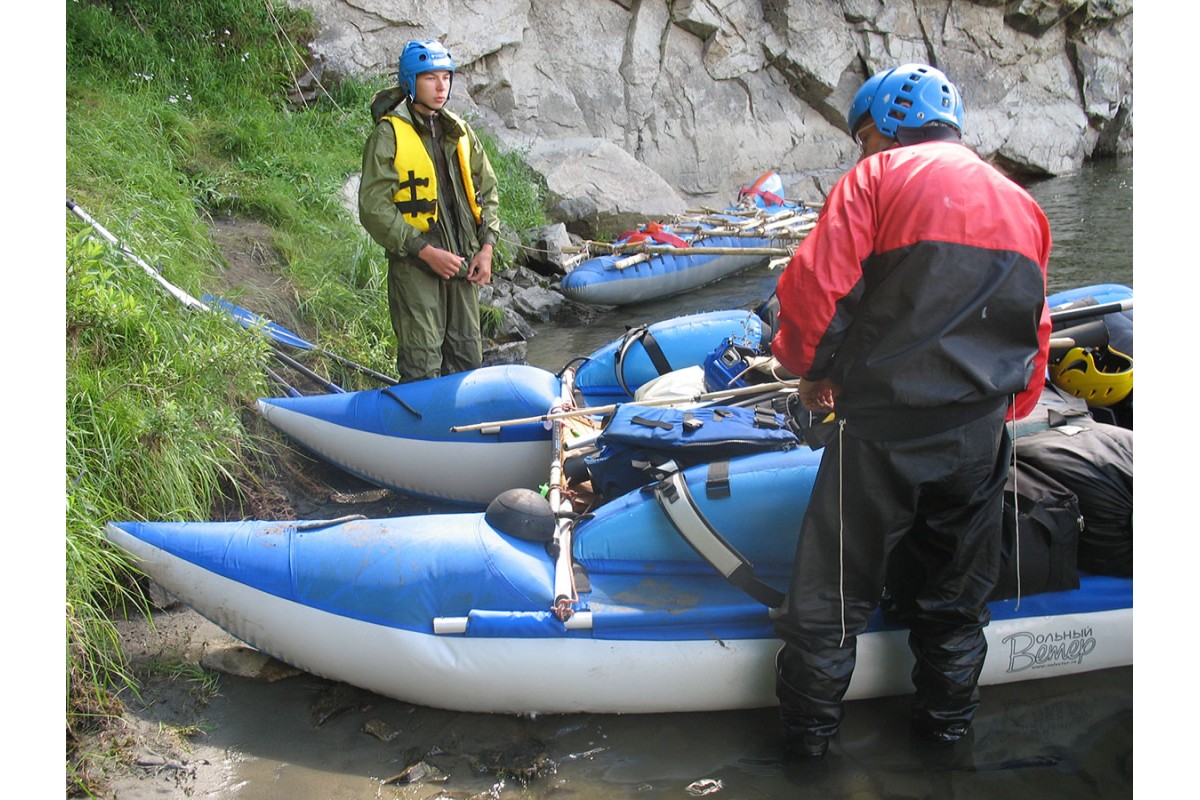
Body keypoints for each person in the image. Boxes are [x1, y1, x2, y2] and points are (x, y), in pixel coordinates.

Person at [769, 63, 1052, 758]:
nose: (863, 150)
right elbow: (1036, 326)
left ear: (885, 124)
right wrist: (1011, 408)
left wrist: (809, 372)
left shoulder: (875, 178)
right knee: (957, 605)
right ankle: (946, 741)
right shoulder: (1023, 204)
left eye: (864, 136)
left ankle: (808, 755)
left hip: (884, 435)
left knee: (830, 602)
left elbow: (815, 294)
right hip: (979, 435)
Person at [358, 39, 501, 382]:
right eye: (429, 78)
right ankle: (419, 432)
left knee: (467, 360)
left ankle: (463, 432)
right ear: (410, 83)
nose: (441, 87)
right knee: (422, 366)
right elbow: (373, 208)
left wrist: (487, 247)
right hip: (416, 267)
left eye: (446, 78)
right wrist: (423, 250)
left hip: (463, 264)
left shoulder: (460, 131)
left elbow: (487, 191)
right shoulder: (388, 135)